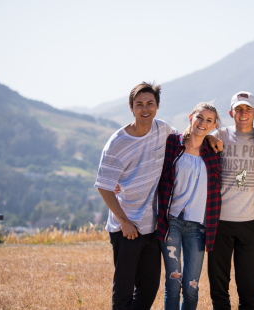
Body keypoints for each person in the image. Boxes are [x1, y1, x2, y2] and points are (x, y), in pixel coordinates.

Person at [95, 82, 223, 310]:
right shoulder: (117, 143)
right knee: (124, 289)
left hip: (153, 226)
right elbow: (104, 186)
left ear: (157, 106)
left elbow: (188, 136)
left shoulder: (162, 130)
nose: (145, 109)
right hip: (127, 227)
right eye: (139, 104)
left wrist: (211, 137)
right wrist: (123, 221)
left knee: (149, 288)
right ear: (131, 107)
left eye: (150, 104)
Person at [156, 101, 222, 310]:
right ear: (190, 117)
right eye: (199, 117)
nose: (203, 122)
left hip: (198, 226)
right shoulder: (173, 144)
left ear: (213, 126)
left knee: (192, 286)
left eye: (209, 120)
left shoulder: (213, 151)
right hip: (173, 221)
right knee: (173, 282)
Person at [207, 91, 254, 310]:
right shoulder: (219, 134)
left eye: (247, 109)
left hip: (251, 221)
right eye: (238, 109)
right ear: (231, 113)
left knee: (250, 284)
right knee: (218, 283)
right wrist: (208, 136)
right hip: (219, 221)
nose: (243, 113)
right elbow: (193, 134)